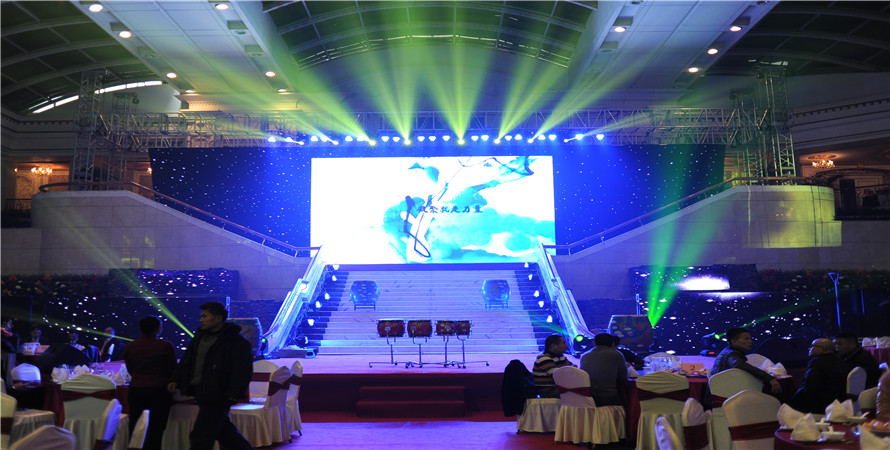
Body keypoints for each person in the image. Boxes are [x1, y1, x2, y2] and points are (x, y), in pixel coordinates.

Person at [168, 302, 253, 450]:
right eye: (201, 316)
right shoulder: (199, 337)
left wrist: (235, 391)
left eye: (205, 316)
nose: (201, 320)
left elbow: (243, 369)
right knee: (223, 431)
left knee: (201, 435)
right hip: (201, 390)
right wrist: (175, 378)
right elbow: (187, 360)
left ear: (218, 318)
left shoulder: (236, 341)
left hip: (220, 392)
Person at [122, 316, 176, 450]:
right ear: (158, 329)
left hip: (136, 389)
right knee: (156, 428)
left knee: (135, 425)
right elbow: (172, 369)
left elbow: (130, 369)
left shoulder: (130, 346)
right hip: (159, 391)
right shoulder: (165, 346)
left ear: (140, 328)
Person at [711, 327, 782, 394]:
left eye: (750, 339)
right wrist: (768, 378)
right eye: (746, 339)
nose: (750, 341)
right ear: (734, 341)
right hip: (723, 394)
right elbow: (738, 364)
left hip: (719, 390)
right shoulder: (732, 354)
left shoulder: (727, 351)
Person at [790, 338, 851, 414]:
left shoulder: (816, 363)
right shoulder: (842, 362)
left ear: (823, 349)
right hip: (837, 404)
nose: (809, 349)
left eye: (813, 346)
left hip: (818, 406)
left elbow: (809, 386)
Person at [580, 333, 627, 406]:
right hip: (609, 397)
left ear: (594, 343)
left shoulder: (584, 355)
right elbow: (623, 376)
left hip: (588, 396)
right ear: (612, 344)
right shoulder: (616, 354)